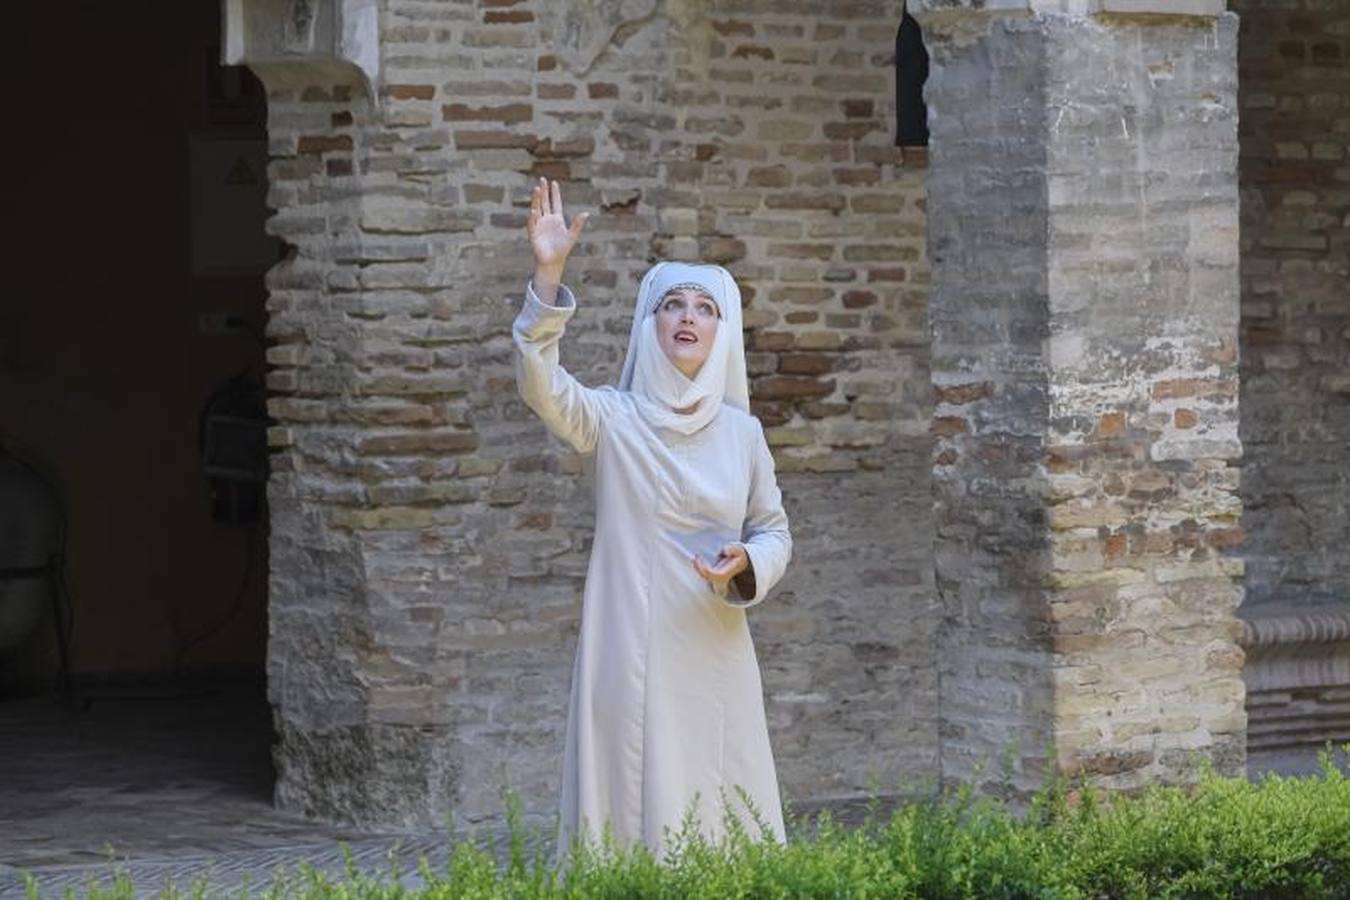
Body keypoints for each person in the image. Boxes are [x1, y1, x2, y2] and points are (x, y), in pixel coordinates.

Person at [513, 177, 793, 867]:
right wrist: (548, 275)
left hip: (712, 648)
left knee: (720, 821)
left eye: (704, 307)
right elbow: (541, 386)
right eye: (671, 305)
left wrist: (747, 563)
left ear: (722, 333)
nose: (687, 316)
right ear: (651, 324)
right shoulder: (612, 418)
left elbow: (774, 530)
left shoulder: (742, 433)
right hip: (627, 651)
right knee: (627, 817)